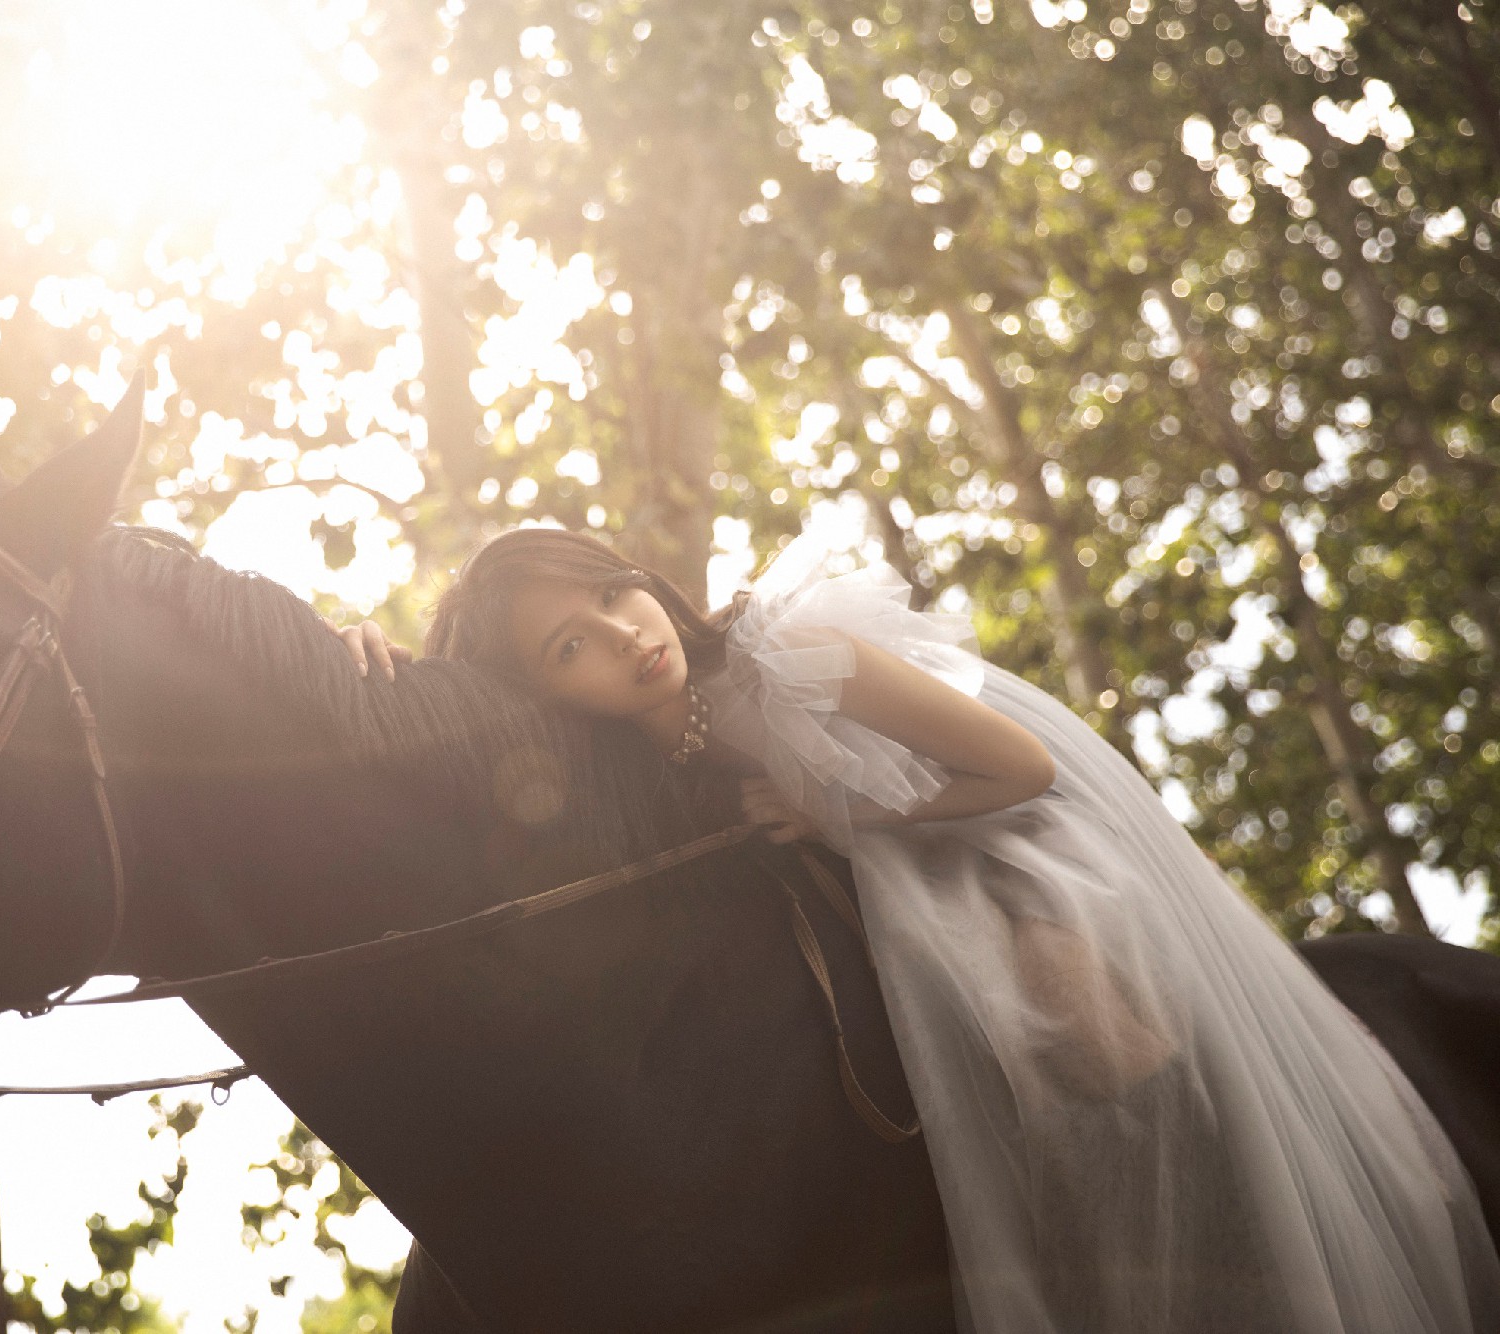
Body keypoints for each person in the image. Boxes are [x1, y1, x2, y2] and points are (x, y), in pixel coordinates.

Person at [325, 518, 1500, 1333]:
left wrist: (835, 810)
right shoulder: (634, 753)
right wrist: (360, 655)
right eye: (565, 645)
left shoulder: (793, 654)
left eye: (608, 591)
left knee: (1089, 1046)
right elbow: (461, 746)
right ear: (544, 692)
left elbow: (1022, 767)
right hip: (878, 875)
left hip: (991, 852)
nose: (619, 630)